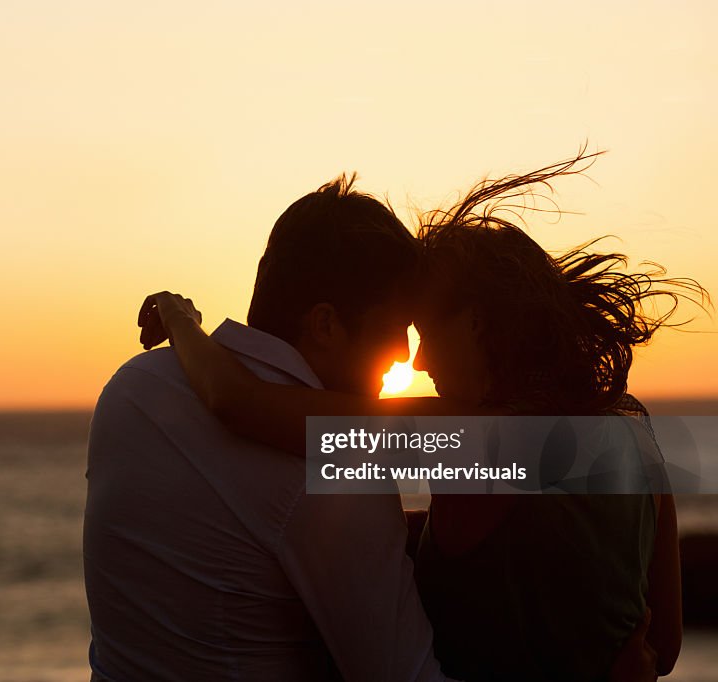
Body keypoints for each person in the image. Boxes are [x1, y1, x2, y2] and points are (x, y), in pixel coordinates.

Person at [138, 151, 701, 680]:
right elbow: (666, 646)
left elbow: (240, 402)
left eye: (428, 332)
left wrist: (180, 319)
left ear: (479, 325)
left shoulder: (472, 444)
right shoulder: (633, 432)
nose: (420, 359)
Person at [84, 176, 452, 681]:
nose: (405, 355)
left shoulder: (132, 389)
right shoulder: (339, 477)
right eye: (394, 327)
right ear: (324, 324)